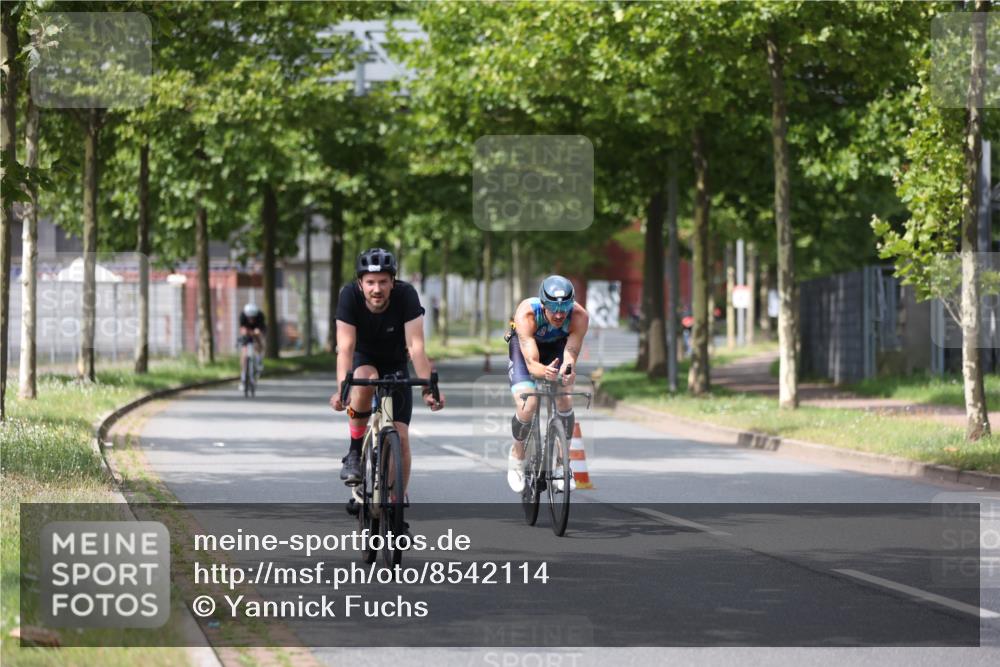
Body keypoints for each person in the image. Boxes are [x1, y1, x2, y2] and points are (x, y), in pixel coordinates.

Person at [329, 248, 444, 505]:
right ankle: (354, 452)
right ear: (360, 283)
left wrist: (428, 390)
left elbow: (416, 347)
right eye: (370, 282)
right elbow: (345, 349)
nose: (377, 289)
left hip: (395, 363)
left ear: (393, 282)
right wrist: (342, 390)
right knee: (366, 379)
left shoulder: (407, 296)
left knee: (401, 437)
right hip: (364, 359)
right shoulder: (348, 296)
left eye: (383, 281)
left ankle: (396, 500)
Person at [506, 275, 589, 493]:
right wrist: (545, 371)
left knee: (564, 397)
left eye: (564, 309)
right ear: (543, 305)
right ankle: (517, 455)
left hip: (556, 348)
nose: (560, 314)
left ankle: (563, 466)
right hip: (526, 351)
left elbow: (570, 354)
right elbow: (532, 364)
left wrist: (567, 371)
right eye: (553, 309)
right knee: (528, 403)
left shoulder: (579, 317)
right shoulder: (527, 314)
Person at [238, 303, 266, 391]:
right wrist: (246, 332)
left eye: (253, 317)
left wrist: (257, 332)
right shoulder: (242, 316)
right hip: (247, 331)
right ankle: (243, 377)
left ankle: (259, 360)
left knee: (259, 341)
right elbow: (242, 328)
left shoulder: (260, 316)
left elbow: (261, 329)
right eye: (249, 317)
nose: (251, 319)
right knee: (244, 352)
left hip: (257, 330)